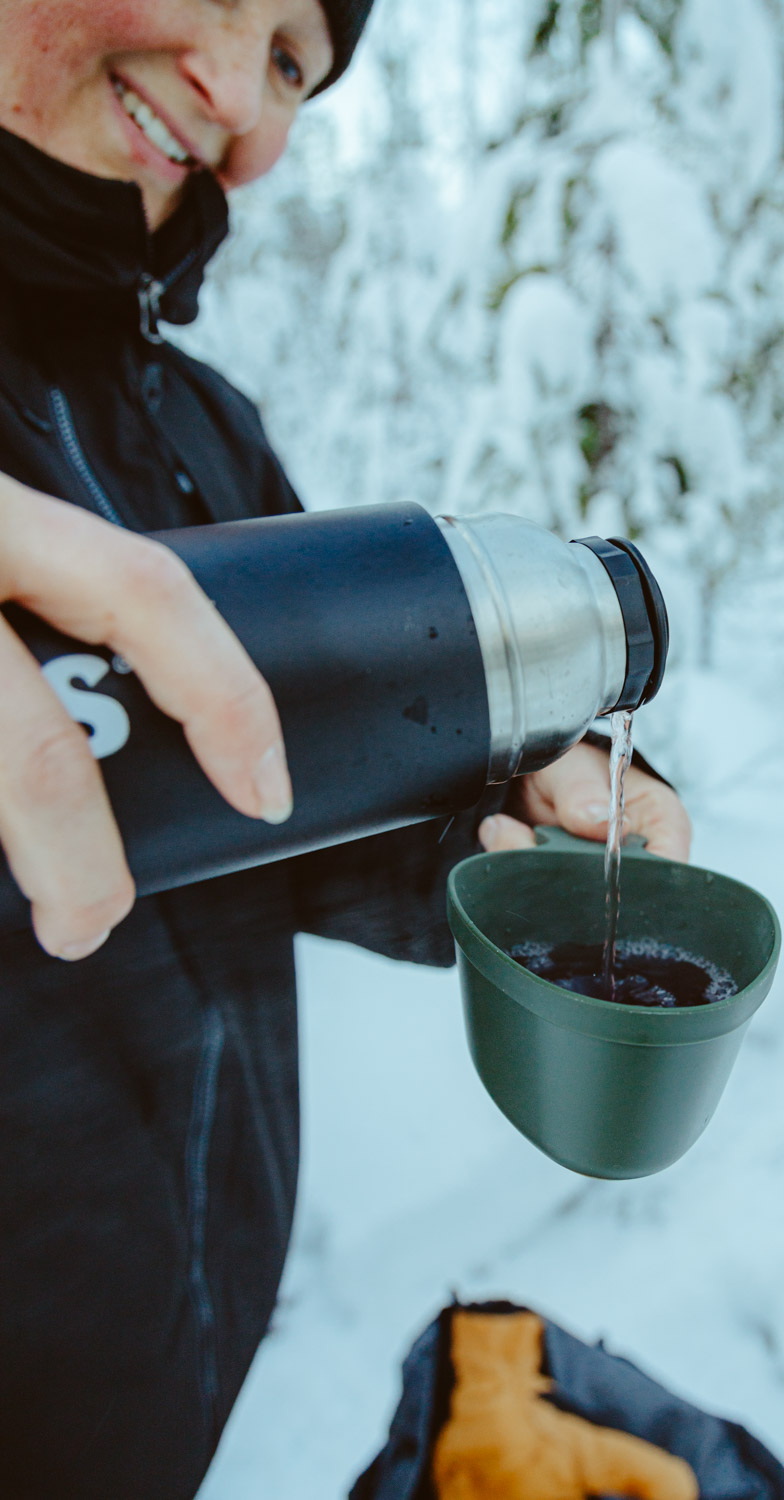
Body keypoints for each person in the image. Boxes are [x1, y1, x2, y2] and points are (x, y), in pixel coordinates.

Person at [0, 3, 692, 1496]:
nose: (242, 94)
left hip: (163, 1367)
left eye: (298, 61)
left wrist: (506, 813)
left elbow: (273, 811)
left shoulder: (194, 425)